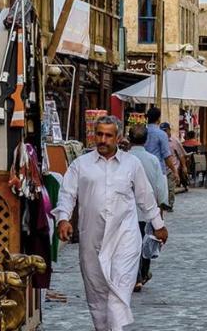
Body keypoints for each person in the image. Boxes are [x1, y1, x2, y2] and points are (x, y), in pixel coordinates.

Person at [53, 116, 168, 331]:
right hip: (92, 238)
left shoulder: (131, 164)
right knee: (96, 292)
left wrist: (158, 224)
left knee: (119, 289)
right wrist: (63, 219)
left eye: (108, 135)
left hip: (124, 237)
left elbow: (145, 196)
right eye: (99, 134)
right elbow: (67, 194)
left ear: (118, 138)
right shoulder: (81, 165)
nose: (103, 140)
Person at [123, 125, 169, 292]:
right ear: (146, 140)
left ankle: (135, 277)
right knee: (146, 242)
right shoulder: (153, 160)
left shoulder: (124, 159)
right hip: (147, 211)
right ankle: (142, 274)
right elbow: (160, 187)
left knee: (130, 246)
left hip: (127, 211)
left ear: (129, 138)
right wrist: (160, 211)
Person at [144, 108, 176, 176]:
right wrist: (174, 171)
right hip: (158, 170)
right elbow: (167, 156)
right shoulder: (162, 134)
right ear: (158, 119)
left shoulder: (143, 132)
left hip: (143, 169)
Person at [162, 122, 188, 194]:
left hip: (172, 169)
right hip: (162, 168)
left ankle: (169, 204)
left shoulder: (175, 141)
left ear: (169, 130)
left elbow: (181, 155)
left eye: (165, 130)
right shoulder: (160, 140)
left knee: (170, 190)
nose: (163, 132)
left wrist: (184, 166)